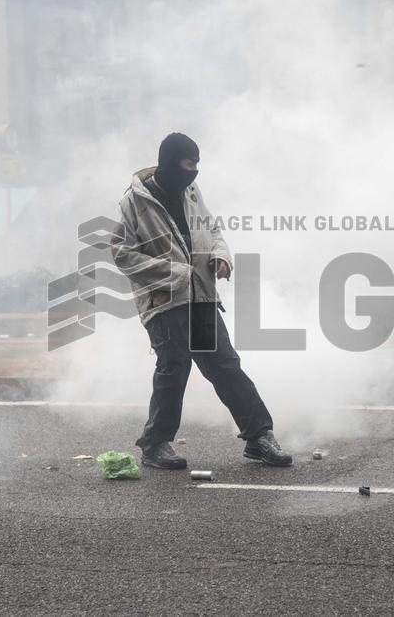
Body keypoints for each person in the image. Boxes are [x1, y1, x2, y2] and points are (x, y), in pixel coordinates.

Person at [110, 132, 292, 469]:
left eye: (196, 165)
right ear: (168, 164)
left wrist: (221, 257)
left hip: (202, 299)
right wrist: (173, 273)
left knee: (225, 366)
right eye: (186, 165)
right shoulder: (134, 202)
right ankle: (155, 445)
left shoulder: (191, 191)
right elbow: (121, 254)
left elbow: (214, 231)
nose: (193, 172)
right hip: (165, 305)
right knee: (173, 370)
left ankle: (258, 437)